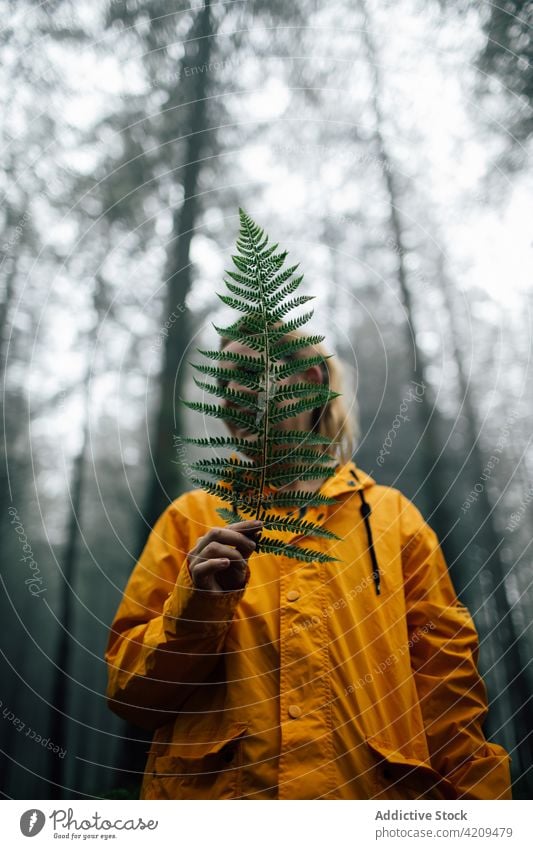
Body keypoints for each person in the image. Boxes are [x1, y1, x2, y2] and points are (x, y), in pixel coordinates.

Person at [105, 327, 512, 800]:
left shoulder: (394, 520)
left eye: (248, 374)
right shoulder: (190, 519)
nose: (230, 394)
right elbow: (129, 693)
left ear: (311, 381)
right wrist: (196, 611)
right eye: (222, 382)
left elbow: (448, 690)